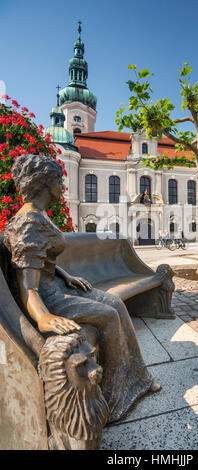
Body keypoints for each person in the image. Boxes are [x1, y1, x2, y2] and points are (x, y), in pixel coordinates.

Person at [4, 154, 161, 423]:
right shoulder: (28, 222)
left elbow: (43, 262)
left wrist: (66, 275)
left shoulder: (39, 215)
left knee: (116, 303)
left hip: (58, 285)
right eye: (58, 180)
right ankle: (112, 397)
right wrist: (43, 318)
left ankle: (136, 380)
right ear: (43, 183)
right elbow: (27, 286)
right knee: (109, 316)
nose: (63, 186)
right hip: (48, 297)